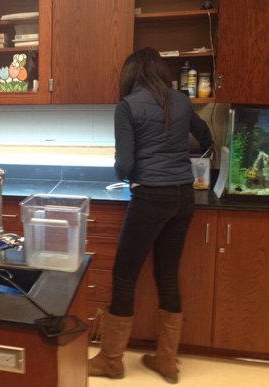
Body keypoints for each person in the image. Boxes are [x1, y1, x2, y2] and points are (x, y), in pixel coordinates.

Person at [88, 48, 213, 384]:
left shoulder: (127, 106)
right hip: (184, 196)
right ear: (160, 72)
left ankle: (112, 361)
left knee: (125, 276)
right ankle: (167, 361)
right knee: (167, 276)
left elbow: (125, 165)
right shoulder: (183, 101)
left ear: (131, 75)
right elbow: (206, 137)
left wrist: (125, 172)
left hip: (150, 197)